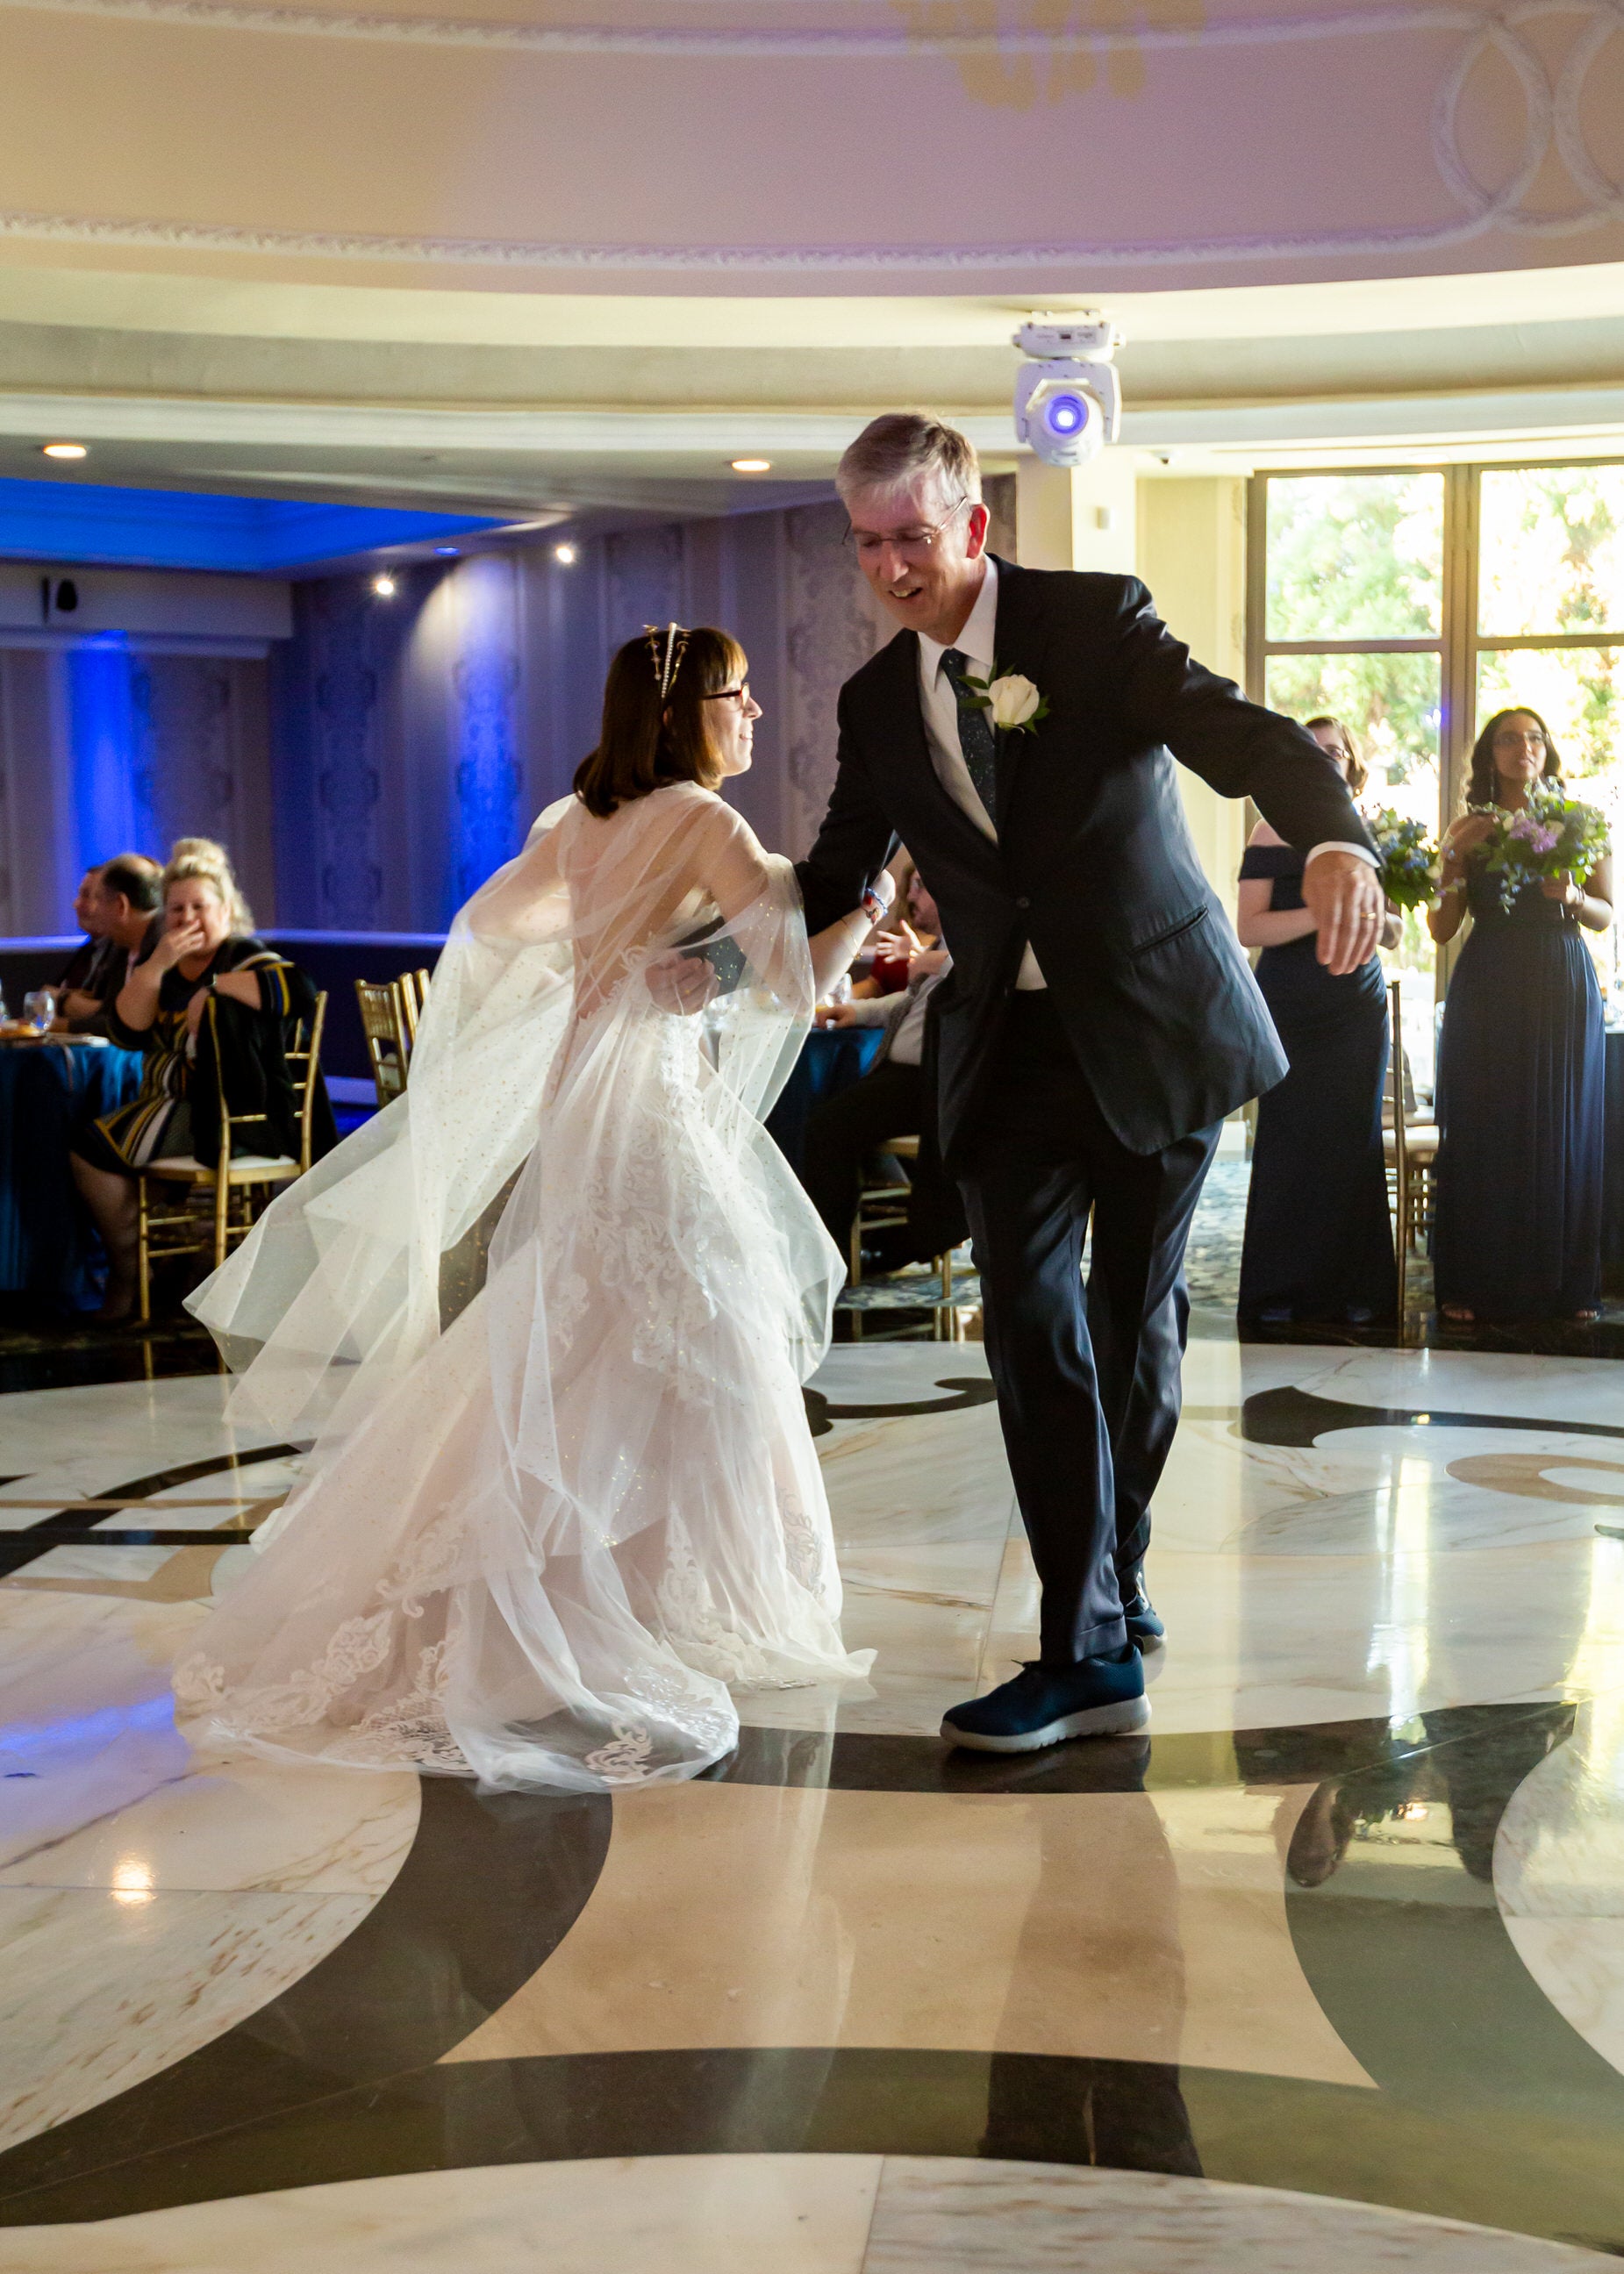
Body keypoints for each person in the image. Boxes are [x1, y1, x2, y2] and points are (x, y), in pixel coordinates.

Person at [172, 626, 883, 1792]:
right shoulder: (706, 822)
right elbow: (798, 986)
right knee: (686, 1342)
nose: (754, 712)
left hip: (582, 1089)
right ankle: (620, 1607)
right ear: (684, 714)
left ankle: (596, 1588)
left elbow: (498, 926)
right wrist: (870, 903)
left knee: (593, 1335)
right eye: (737, 696)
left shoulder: (586, 818)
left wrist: (640, 953)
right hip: (645, 1103)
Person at [794, 413, 1382, 1755]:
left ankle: (1107, 1583)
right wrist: (695, 923)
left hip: (1157, 1026)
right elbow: (831, 875)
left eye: (913, 538)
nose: (890, 568)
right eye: (867, 543)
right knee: (1029, 1324)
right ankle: (1086, 1643)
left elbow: (1238, 737)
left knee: (1132, 1318)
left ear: (972, 528)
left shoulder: (1089, 622)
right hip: (1005, 1044)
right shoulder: (875, 702)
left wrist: (1335, 839)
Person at [69, 840, 330, 1324]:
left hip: (227, 1112)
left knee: (89, 1150)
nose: (188, 918)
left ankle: (132, 1267)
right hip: (172, 1103)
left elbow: (299, 990)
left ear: (226, 911)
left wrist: (214, 988)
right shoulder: (169, 964)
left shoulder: (241, 955)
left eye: (200, 907)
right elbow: (126, 1028)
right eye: (176, 909)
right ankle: (156, 1266)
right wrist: (156, 965)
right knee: (98, 1143)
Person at [1428, 707, 1613, 1324]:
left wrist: (1574, 895)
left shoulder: (1576, 820)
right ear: (1489, 755)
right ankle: (1472, 1282)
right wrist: (1453, 866)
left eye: (1534, 738)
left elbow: (1606, 913)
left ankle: (1565, 1285)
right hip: (1488, 982)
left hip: (1560, 980)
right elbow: (1439, 928)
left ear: (1546, 750)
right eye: (1509, 739)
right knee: (1484, 1123)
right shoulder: (1466, 826)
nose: (1523, 748)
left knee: (1560, 1125)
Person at [1235, 716, 1400, 1331]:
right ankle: (1280, 1288)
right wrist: (1326, 906)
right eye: (1312, 751)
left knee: (1352, 1140)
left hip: (1355, 1001)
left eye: (1335, 751)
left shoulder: (1368, 831)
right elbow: (1249, 928)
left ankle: (1356, 1288)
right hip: (1288, 1001)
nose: (1325, 759)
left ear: (1350, 763)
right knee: (1288, 1136)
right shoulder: (1268, 828)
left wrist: (1376, 917)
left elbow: (1394, 930)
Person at [805, 871, 964, 1274]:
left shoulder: (967, 944)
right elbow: (907, 1005)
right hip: (904, 1075)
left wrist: (926, 959)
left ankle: (836, 1260)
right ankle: (847, 1248)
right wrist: (856, 1011)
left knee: (827, 1131)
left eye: (923, 888)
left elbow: (983, 971)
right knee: (828, 1124)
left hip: (933, 1081)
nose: (912, 898)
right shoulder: (944, 946)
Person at [55, 855, 161, 1030]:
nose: (96, 911)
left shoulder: (163, 949)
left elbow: (132, 1026)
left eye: (100, 900)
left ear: (121, 905)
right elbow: (109, 1014)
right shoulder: (120, 949)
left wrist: (58, 1026)